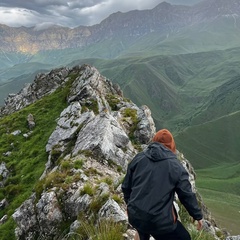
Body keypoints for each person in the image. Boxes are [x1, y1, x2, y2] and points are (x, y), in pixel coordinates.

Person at [122, 129, 203, 240]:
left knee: (142, 231)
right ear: (172, 146)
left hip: (136, 215)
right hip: (159, 223)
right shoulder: (176, 167)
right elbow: (186, 194)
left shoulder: (139, 158)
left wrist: (130, 206)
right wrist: (197, 215)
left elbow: (126, 186)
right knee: (184, 237)